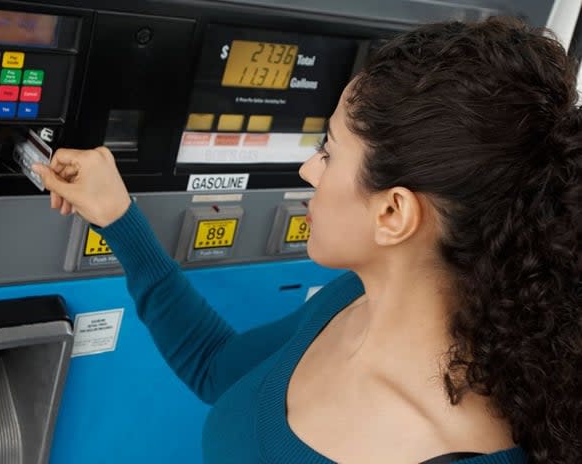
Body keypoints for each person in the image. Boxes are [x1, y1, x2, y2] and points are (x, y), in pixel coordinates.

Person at [34, 17, 580, 464]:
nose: (306, 170)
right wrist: (118, 216)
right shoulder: (355, 304)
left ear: (393, 212)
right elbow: (216, 366)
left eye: (328, 150)